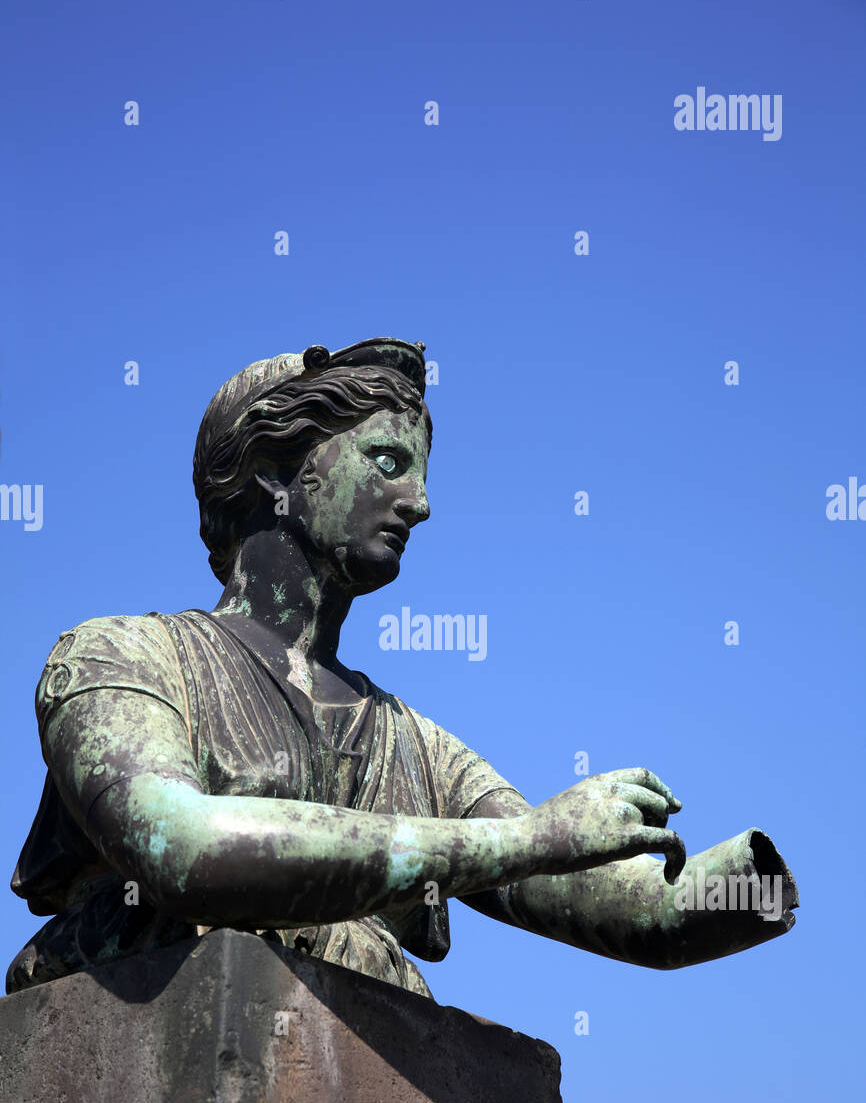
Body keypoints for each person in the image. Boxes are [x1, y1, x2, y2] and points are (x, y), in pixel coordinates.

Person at [7, 338, 796, 997]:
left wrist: (735, 887)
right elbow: (181, 848)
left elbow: (617, 907)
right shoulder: (119, 658)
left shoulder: (412, 744)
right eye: (387, 463)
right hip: (146, 1045)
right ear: (275, 474)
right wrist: (536, 838)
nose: (419, 503)